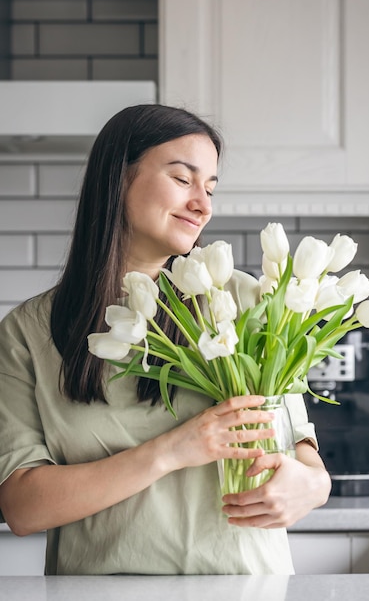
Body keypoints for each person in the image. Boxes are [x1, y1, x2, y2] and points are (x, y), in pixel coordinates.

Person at [0, 104, 331, 576]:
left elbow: (302, 451)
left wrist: (311, 485)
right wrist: (175, 449)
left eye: (211, 188)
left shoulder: (243, 299)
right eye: (183, 179)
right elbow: (23, 508)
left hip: (243, 587)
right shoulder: (29, 331)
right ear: (119, 178)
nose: (204, 204)